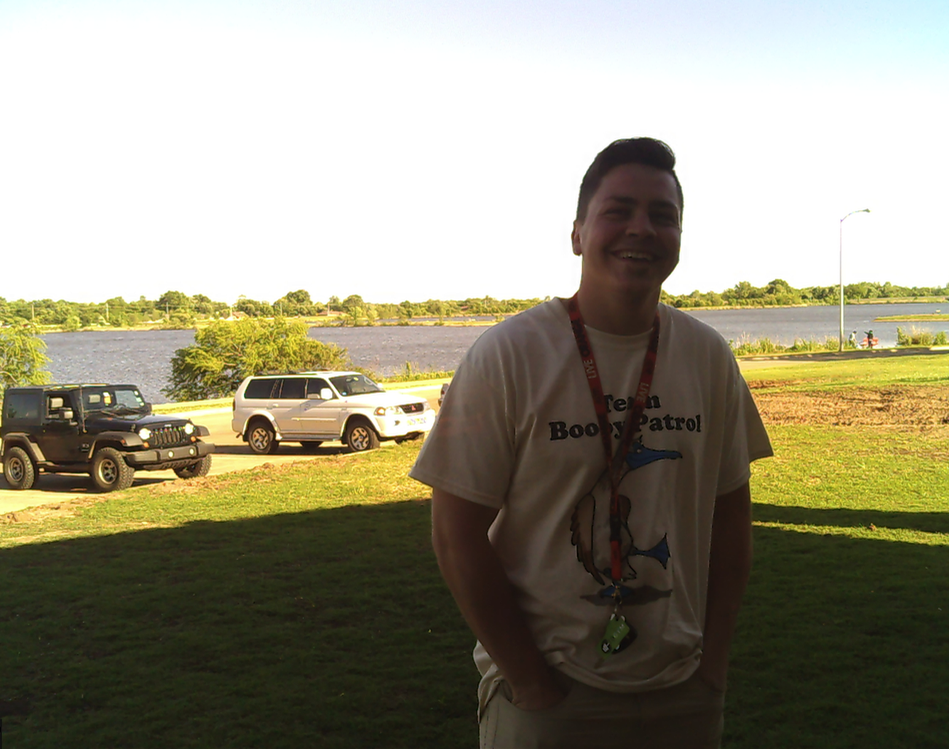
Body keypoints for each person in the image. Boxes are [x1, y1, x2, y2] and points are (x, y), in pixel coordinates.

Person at [410, 137, 773, 748]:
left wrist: (713, 664)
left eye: (663, 215)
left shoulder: (707, 356)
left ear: (679, 237)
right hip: (551, 700)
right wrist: (530, 682)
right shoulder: (509, 355)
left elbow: (731, 515)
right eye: (618, 210)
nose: (642, 229)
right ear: (578, 233)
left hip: (683, 694)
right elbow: (455, 533)